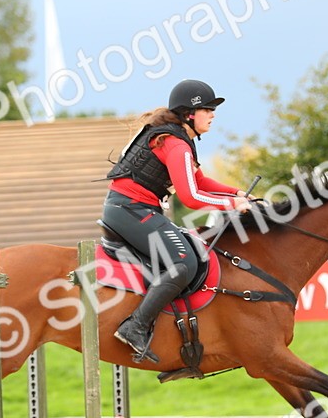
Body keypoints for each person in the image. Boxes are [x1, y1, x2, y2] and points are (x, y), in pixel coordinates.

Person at [102, 79, 253, 364]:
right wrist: (232, 204)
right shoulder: (175, 144)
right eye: (208, 109)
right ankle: (134, 326)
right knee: (184, 261)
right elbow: (192, 196)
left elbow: (200, 180)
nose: (213, 114)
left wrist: (237, 193)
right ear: (189, 114)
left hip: (134, 209)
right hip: (130, 210)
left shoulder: (179, 140)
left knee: (192, 254)